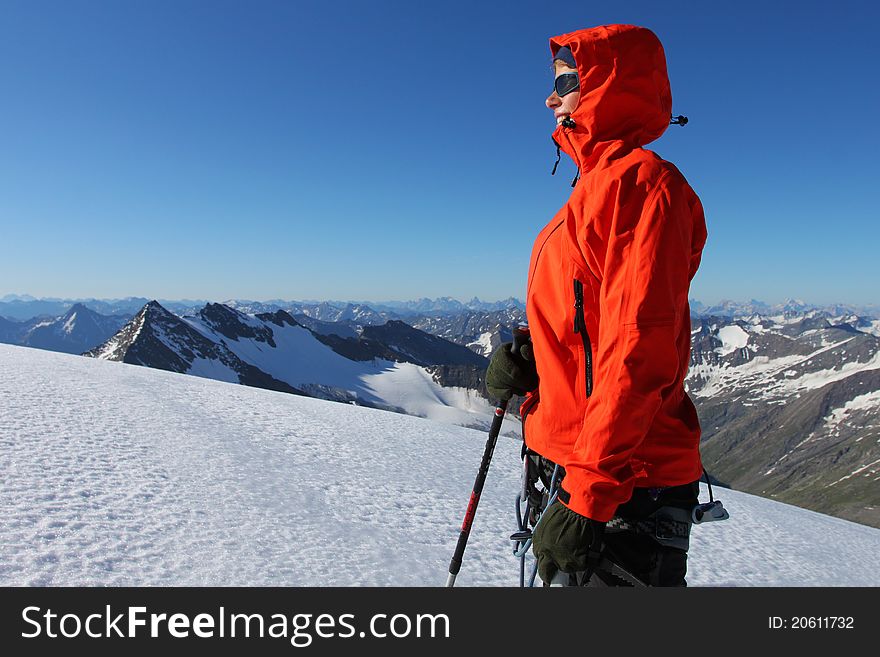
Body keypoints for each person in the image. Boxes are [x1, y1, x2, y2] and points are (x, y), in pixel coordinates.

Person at [486, 24, 708, 586]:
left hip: (623, 488)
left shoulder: (643, 186)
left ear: (610, 86)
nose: (551, 96)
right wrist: (537, 360)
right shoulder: (590, 191)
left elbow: (640, 346)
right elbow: (587, 326)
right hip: (576, 470)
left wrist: (589, 494)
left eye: (566, 80)